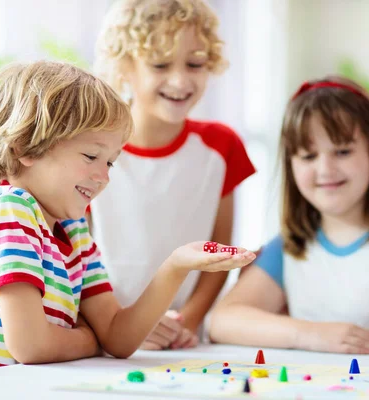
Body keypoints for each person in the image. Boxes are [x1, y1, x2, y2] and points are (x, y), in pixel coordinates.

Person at [0, 60, 255, 374]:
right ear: (27, 148)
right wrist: (93, 341)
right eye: (91, 156)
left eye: (111, 162)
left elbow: (118, 337)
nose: (104, 177)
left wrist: (176, 266)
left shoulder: (74, 231)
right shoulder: (10, 212)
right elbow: (31, 346)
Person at [209, 77, 369, 354]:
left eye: (343, 151)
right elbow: (222, 320)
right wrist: (310, 334)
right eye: (308, 156)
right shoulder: (290, 248)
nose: (325, 169)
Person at [91, 0, 256, 350]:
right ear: (125, 67)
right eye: (160, 64)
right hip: (101, 334)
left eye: (195, 63)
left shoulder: (221, 147)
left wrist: (186, 324)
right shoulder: (91, 151)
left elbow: (219, 253)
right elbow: (77, 258)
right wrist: (124, 325)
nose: (180, 80)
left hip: (184, 342)